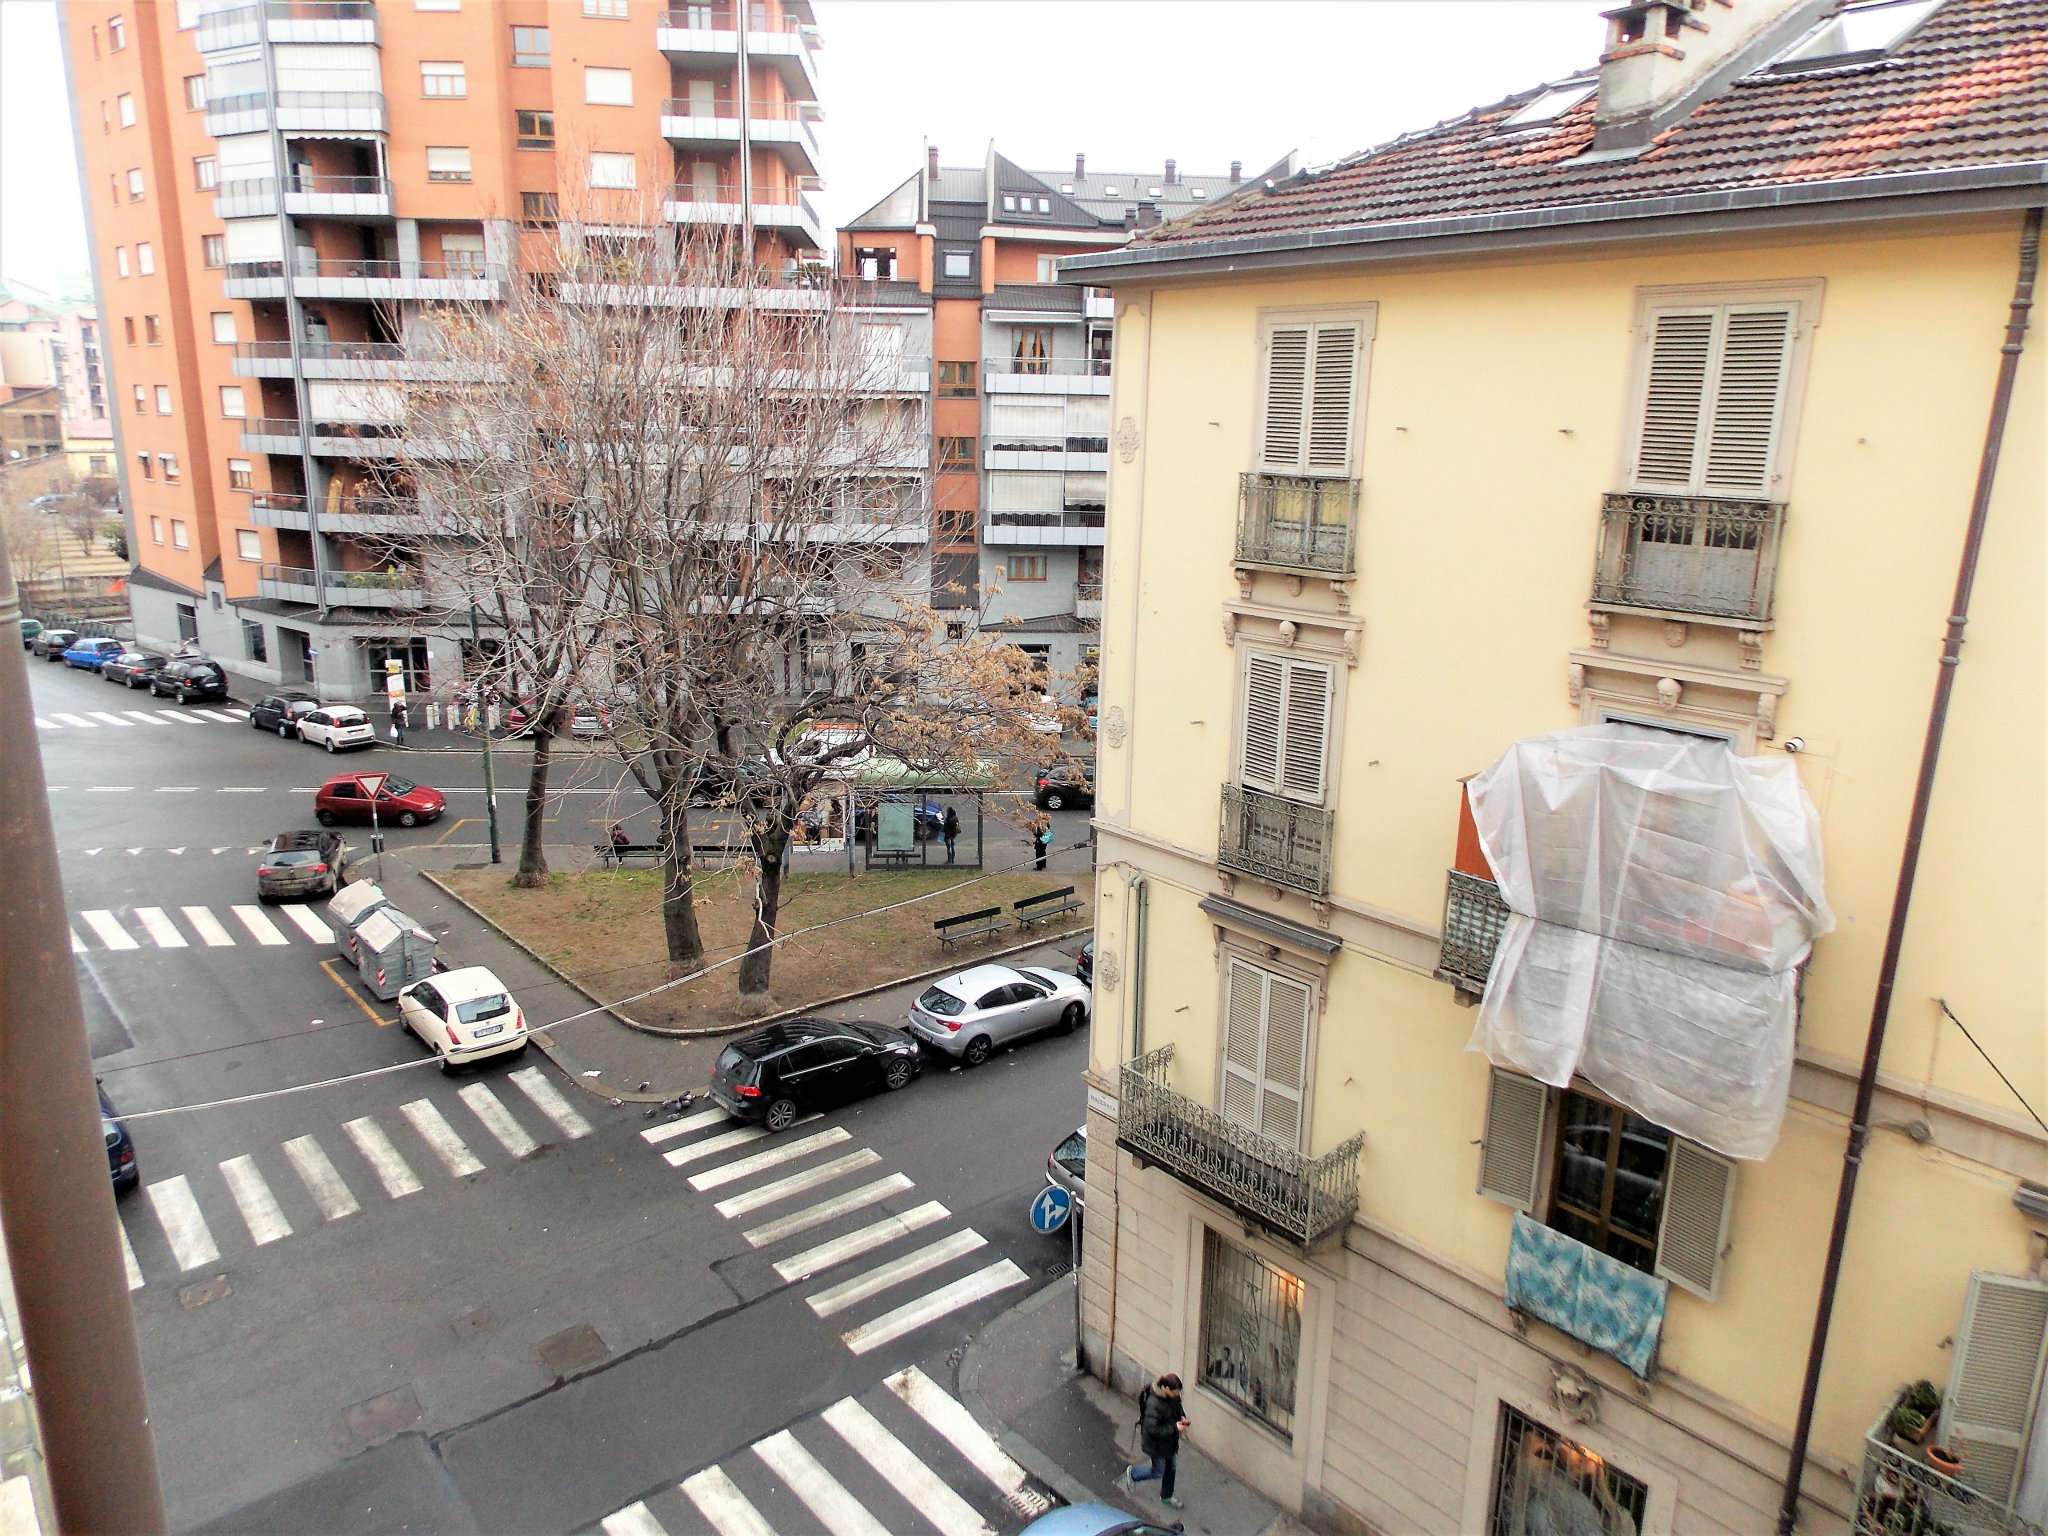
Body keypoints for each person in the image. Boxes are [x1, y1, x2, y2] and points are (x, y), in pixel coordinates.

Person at [1121, 1373, 1189, 1510]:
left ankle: (1167, 1496)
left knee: (1171, 1468)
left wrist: (1182, 1417)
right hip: (1156, 1445)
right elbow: (1153, 1430)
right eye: (1175, 1392)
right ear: (1165, 1388)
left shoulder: (1173, 1397)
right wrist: (1175, 1427)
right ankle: (1133, 1473)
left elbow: (1178, 1408)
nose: (1177, 1395)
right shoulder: (1153, 1404)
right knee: (1158, 1471)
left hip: (1170, 1442)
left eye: (1178, 1393)